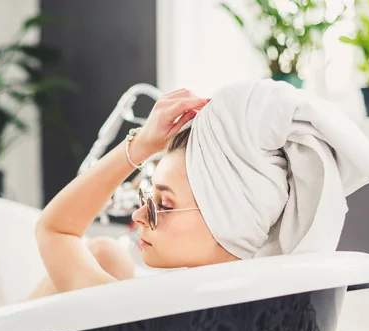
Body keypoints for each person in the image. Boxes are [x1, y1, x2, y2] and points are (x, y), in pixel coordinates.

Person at [28, 89, 233, 298]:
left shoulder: (131, 307)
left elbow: (54, 229)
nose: (137, 215)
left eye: (164, 206)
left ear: (227, 218)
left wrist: (141, 143)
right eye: (148, 198)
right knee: (106, 253)